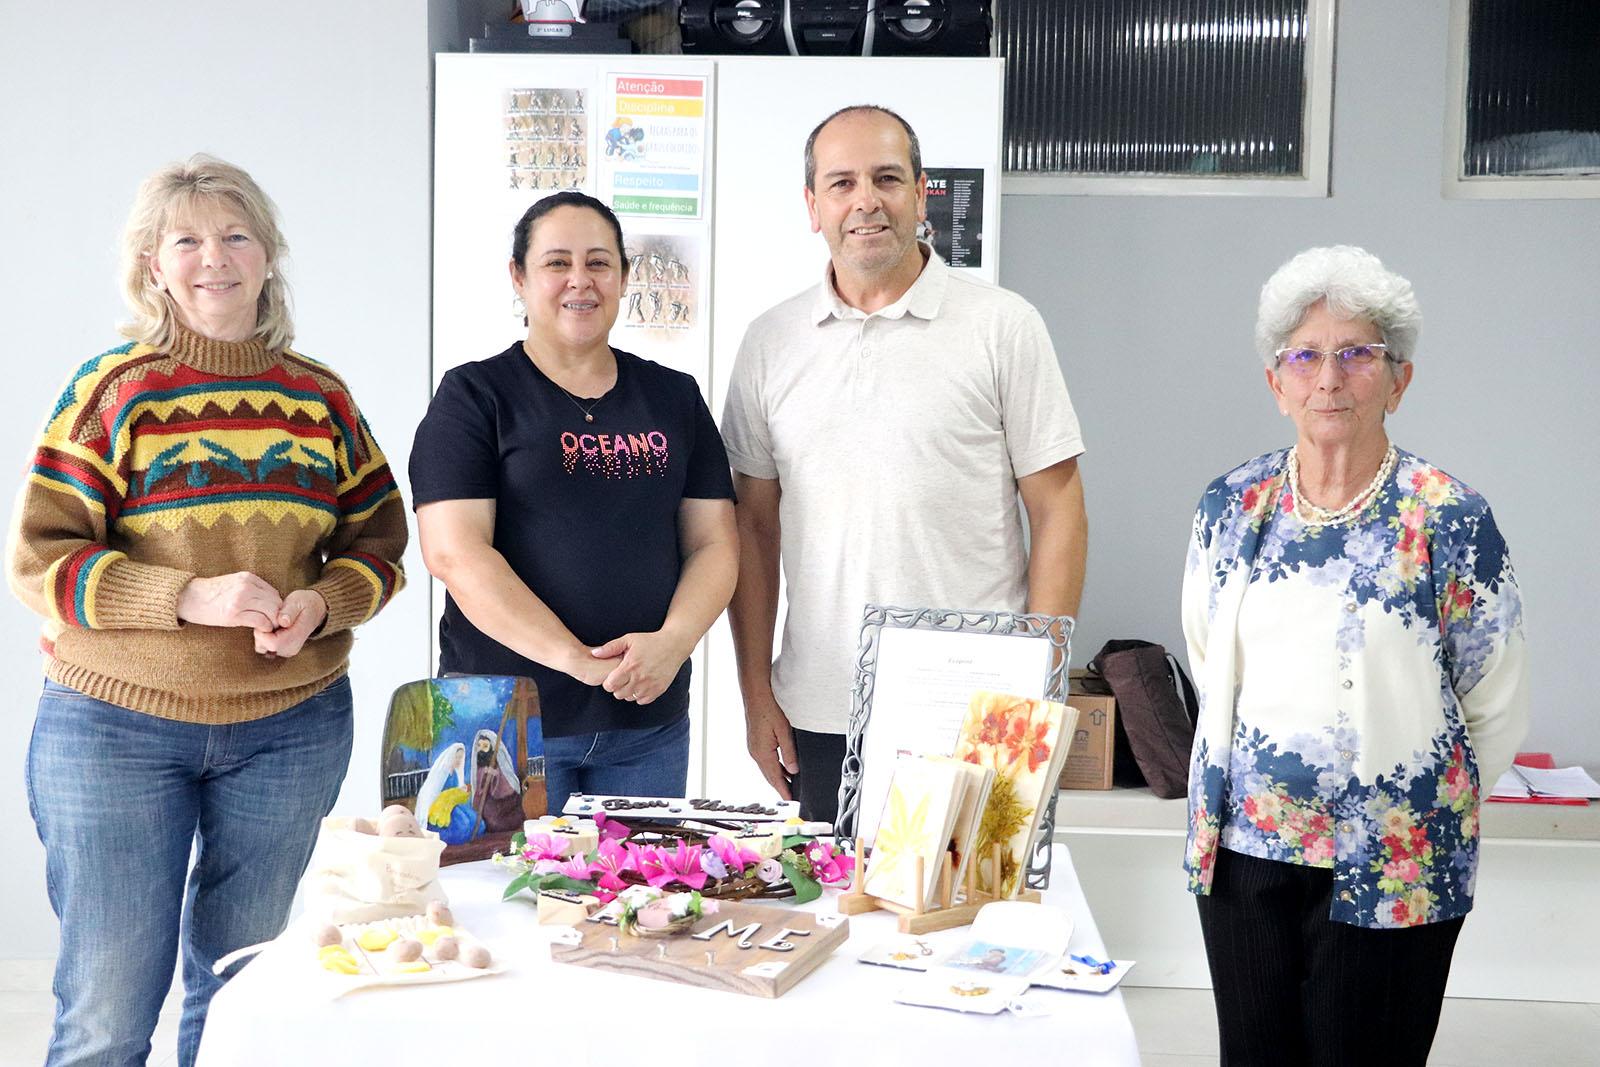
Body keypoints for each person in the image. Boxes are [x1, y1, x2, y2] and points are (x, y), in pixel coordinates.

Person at [6, 154, 408, 1067]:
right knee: (108, 1012)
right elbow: (40, 560)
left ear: (269, 257)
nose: (212, 257)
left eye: (235, 235)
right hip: (113, 727)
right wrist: (186, 596)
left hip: (288, 728)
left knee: (243, 999)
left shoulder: (321, 399)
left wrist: (319, 601)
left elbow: (380, 544)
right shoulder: (111, 393)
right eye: (185, 239)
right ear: (153, 264)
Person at [1181, 245, 1529, 1066]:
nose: (1328, 377)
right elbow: (1207, 652)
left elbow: (1495, 699)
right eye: (1304, 355)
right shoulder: (1230, 504)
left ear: (1398, 379)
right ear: (1277, 384)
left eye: (1356, 353)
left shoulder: (1449, 516)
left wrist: (1415, 804)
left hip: (1394, 855)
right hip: (1245, 853)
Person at [721, 105, 1088, 823]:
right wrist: (756, 694)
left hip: (980, 708)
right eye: (842, 183)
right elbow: (752, 529)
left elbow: (1060, 510)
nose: (866, 200)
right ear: (813, 206)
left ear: (921, 195)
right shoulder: (769, 342)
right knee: (835, 928)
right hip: (822, 711)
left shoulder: (1002, 326)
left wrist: (1037, 690)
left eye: (887, 178)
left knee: (973, 931)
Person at [410, 191, 737, 808]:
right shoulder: (475, 396)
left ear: (623, 276)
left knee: (639, 903)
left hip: (647, 725)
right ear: (519, 277)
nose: (579, 281)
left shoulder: (673, 396)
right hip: (504, 724)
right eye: (557, 262)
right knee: (499, 902)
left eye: (599, 262)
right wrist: (575, 660)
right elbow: (455, 554)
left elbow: (714, 541)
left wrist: (673, 642)